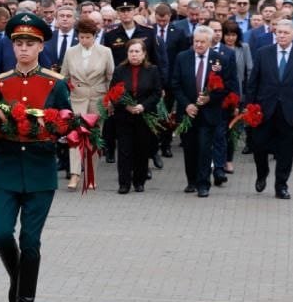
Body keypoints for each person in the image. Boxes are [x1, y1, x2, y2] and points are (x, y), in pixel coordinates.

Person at [0, 11, 71, 302]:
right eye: (18, 43)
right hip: (7, 168)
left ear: (40, 47)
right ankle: (17, 278)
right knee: (2, 234)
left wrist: (60, 131)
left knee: (30, 240)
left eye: (29, 43)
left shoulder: (55, 83)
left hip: (39, 169)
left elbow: (67, 122)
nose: (23, 49)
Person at [244, 18, 293, 200]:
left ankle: (281, 185)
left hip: (290, 109)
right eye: (279, 32)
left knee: (286, 150)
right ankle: (262, 172)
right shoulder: (263, 53)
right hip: (264, 108)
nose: (282, 36)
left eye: (285, 33)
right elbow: (253, 83)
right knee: (258, 144)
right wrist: (248, 107)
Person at [172, 25, 239, 197]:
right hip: (188, 112)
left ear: (210, 42)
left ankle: (203, 184)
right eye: (196, 41)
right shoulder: (182, 57)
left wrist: (211, 98)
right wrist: (187, 104)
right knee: (190, 148)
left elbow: (228, 85)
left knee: (204, 148)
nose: (199, 45)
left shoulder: (219, 60)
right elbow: (176, 84)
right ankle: (191, 181)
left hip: (209, 113)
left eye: (203, 42)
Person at [61, 18, 113, 190]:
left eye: (87, 37)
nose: (84, 40)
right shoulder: (70, 52)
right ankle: (75, 175)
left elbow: (110, 77)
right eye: (81, 37)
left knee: (94, 138)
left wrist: (109, 100)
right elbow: (64, 77)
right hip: (77, 99)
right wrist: (67, 94)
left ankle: (91, 176)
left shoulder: (105, 52)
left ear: (94, 36)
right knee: (75, 136)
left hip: (98, 99)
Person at [109, 38, 162, 194]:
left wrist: (143, 106)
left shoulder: (152, 70)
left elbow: (157, 93)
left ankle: (139, 182)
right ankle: (124, 183)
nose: (134, 55)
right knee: (124, 150)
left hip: (144, 116)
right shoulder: (120, 70)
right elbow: (113, 92)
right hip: (124, 116)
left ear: (144, 53)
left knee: (141, 150)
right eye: (131, 51)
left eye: (137, 51)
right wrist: (126, 105)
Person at [214, 20, 251, 175]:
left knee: (232, 130)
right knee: (219, 131)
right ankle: (217, 161)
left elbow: (249, 70)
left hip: (239, 95)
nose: (230, 38)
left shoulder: (243, 48)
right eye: (227, 35)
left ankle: (228, 160)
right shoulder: (217, 49)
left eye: (233, 35)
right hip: (220, 94)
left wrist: (248, 95)